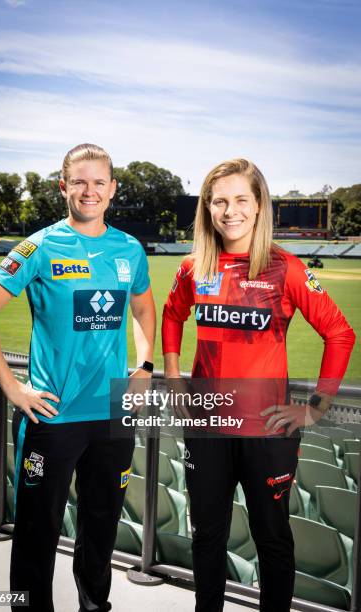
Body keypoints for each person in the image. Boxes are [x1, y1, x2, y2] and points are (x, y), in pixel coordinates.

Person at [0, 143, 156, 612]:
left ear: (112, 189)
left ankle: (95, 606)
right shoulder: (39, 245)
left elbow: (145, 308)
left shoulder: (129, 248)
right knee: (37, 529)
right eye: (79, 181)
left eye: (99, 182)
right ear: (63, 187)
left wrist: (145, 365)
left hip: (110, 411)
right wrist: (12, 386)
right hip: (53, 413)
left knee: (102, 522)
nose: (89, 191)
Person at [162, 159, 355, 612]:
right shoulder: (194, 267)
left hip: (267, 432)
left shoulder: (284, 268)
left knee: (272, 538)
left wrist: (314, 410)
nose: (230, 211)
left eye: (240, 200)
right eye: (219, 200)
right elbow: (172, 315)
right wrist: (172, 375)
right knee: (207, 534)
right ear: (207, 208)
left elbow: (340, 333)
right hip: (207, 428)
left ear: (259, 205)